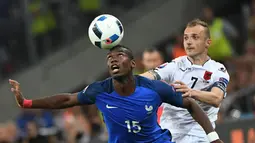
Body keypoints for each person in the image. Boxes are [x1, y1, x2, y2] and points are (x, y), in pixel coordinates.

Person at [9, 45, 223, 143]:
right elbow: (66, 99)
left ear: (132, 64)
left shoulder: (153, 88)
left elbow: (191, 104)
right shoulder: (100, 90)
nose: (112, 59)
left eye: (119, 55)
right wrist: (26, 102)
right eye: (109, 58)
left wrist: (213, 138)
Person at [140, 19, 230, 143]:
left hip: (199, 135)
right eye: (186, 38)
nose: (188, 42)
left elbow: (216, 98)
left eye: (195, 37)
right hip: (170, 135)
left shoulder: (218, 70)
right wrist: (126, 80)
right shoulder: (176, 65)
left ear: (207, 42)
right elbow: (147, 76)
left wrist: (191, 92)